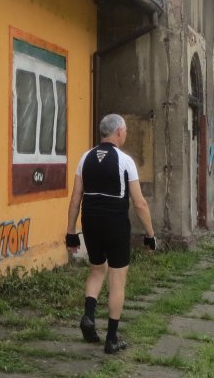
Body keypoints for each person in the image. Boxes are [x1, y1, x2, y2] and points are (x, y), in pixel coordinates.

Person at [65, 114, 155, 354]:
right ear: (119, 132)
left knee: (97, 270)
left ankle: (88, 317)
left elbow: (76, 198)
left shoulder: (85, 158)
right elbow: (140, 204)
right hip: (115, 223)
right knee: (117, 280)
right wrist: (150, 234)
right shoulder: (125, 161)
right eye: (124, 131)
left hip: (90, 221)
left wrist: (71, 233)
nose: (125, 134)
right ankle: (112, 339)